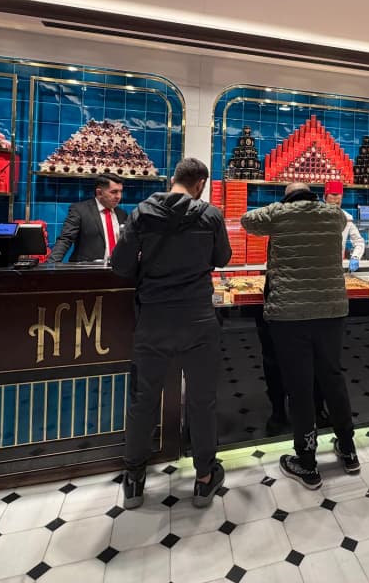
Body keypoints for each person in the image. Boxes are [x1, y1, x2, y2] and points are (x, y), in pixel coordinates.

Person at [110, 158, 232, 509]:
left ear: (174, 179)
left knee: (143, 398)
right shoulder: (210, 215)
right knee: (202, 400)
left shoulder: (142, 213)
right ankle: (204, 478)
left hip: (153, 320)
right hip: (198, 319)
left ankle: (134, 479)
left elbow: (120, 266)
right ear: (200, 184)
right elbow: (223, 258)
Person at [242, 183, 359, 489]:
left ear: (287, 198)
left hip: (289, 314)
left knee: (300, 386)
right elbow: (342, 220)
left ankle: (307, 462)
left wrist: (279, 207)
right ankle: (348, 450)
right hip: (332, 311)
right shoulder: (333, 215)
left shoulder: (278, 214)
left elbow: (246, 221)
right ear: (314, 196)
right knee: (333, 378)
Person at [49, 174, 127, 262]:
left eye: (121, 191)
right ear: (99, 193)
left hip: (117, 270)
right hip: (86, 270)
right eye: (114, 192)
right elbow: (66, 239)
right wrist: (51, 265)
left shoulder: (122, 214)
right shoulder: (80, 210)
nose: (119, 196)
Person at [323, 180, 365, 269]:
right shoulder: (316, 216)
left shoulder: (347, 218)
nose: (334, 207)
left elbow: (359, 242)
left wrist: (355, 257)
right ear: (324, 198)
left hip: (338, 264)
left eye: (337, 203)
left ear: (341, 200)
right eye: (331, 204)